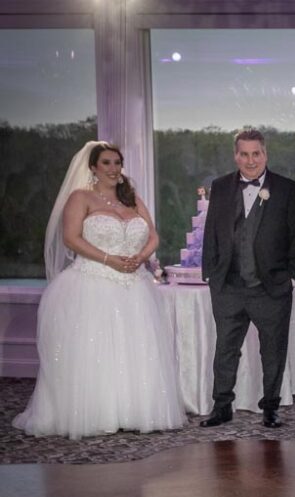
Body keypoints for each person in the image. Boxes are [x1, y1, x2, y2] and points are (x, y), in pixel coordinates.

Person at [13, 142, 185, 440]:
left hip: (135, 284)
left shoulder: (131, 198)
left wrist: (140, 257)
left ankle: (133, 411)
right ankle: (97, 413)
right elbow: (71, 238)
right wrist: (109, 259)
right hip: (93, 282)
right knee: (98, 348)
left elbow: (153, 234)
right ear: (93, 167)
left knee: (135, 348)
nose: (113, 168)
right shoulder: (81, 198)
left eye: (117, 162)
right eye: (106, 162)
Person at [200, 129, 295, 429]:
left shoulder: (288, 189)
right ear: (236, 155)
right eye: (244, 154)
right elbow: (212, 230)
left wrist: (292, 278)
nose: (250, 161)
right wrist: (210, 273)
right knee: (224, 349)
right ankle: (222, 406)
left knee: (273, 350)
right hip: (228, 286)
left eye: (256, 154)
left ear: (265, 154)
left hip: (271, 287)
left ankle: (271, 409)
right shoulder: (221, 186)